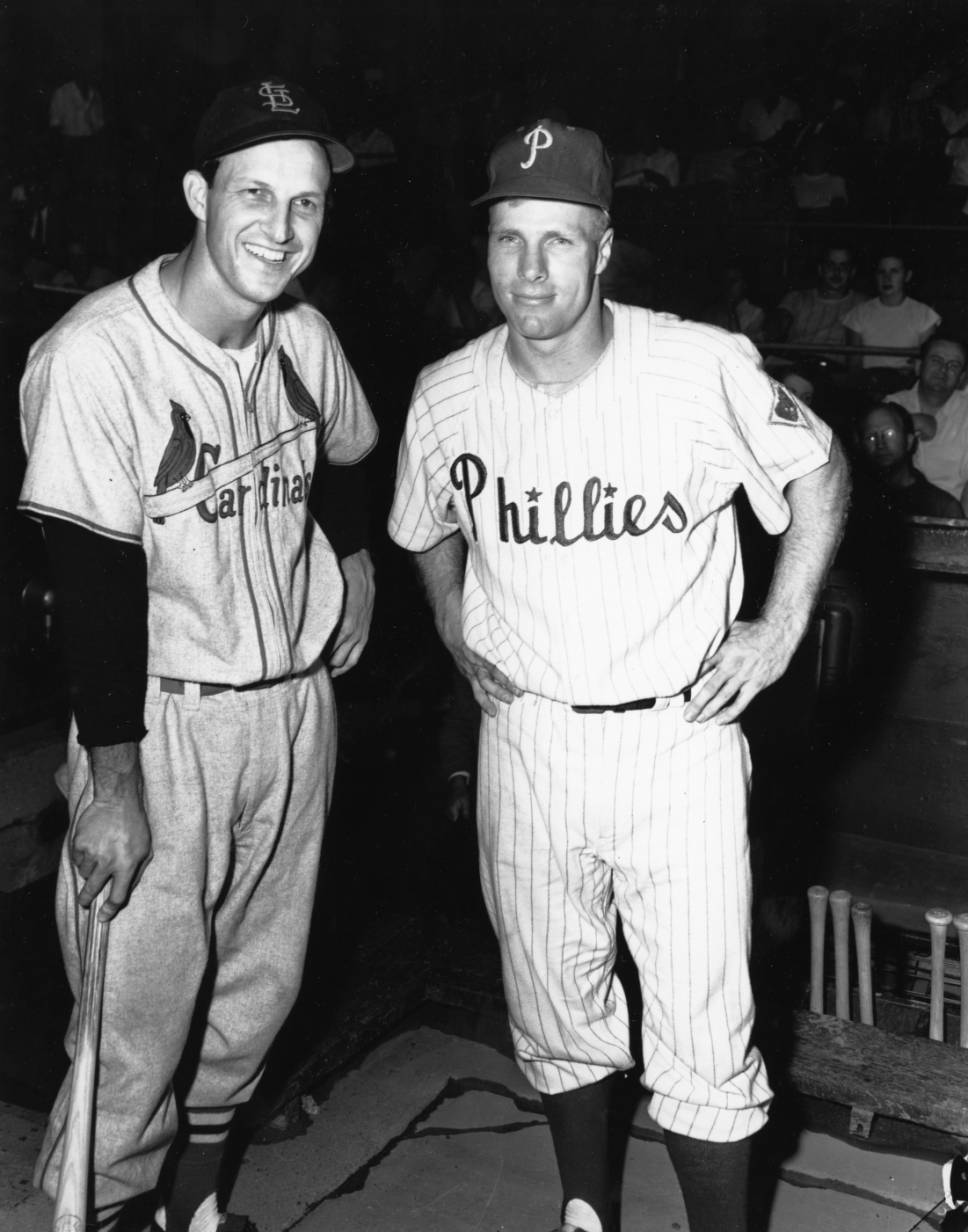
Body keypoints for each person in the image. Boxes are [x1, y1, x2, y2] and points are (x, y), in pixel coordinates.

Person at [388, 117, 849, 1232]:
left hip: (672, 735)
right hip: (530, 736)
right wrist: (453, 621)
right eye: (508, 239)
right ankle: (585, 1209)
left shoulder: (695, 364)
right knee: (553, 1000)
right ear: (486, 248)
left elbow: (822, 467)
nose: (530, 268)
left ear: (601, 246)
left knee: (700, 1021)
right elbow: (422, 526)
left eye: (558, 239)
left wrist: (775, 629)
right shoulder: (446, 391)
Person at [18, 78, 378, 1232]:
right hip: (162, 723)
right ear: (195, 193)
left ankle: (197, 1212)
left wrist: (358, 554)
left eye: (307, 203)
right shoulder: (98, 354)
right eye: (254, 194)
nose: (281, 227)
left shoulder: (305, 336)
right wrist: (110, 781)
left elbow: (359, 450)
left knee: (252, 1005)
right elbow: (89, 582)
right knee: (135, 1026)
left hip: (291, 709)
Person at [891, 334, 968, 512]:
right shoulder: (893, 405)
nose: (943, 370)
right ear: (919, 366)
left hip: (949, 519)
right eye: (936, 360)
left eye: (953, 365)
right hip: (898, 516)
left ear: (962, 377)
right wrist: (908, 423)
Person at [854, 401, 964, 518]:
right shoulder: (853, 500)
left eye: (889, 433)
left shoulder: (942, 508)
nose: (880, 443)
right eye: (871, 437)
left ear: (909, 441)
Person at [843, 248, 940, 372]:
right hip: (869, 383)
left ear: (907, 276)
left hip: (906, 383)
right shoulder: (858, 314)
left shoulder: (925, 314)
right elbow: (853, 365)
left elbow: (926, 364)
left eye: (894, 271)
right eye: (881, 272)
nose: (887, 278)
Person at [771, 242, 866, 366]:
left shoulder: (863, 303)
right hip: (795, 364)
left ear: (852, 272)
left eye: (843, 266)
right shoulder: (797, 298)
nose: (836, 272)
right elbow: (773, 332)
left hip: (833, 371)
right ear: (820, 269)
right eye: (830, 265)